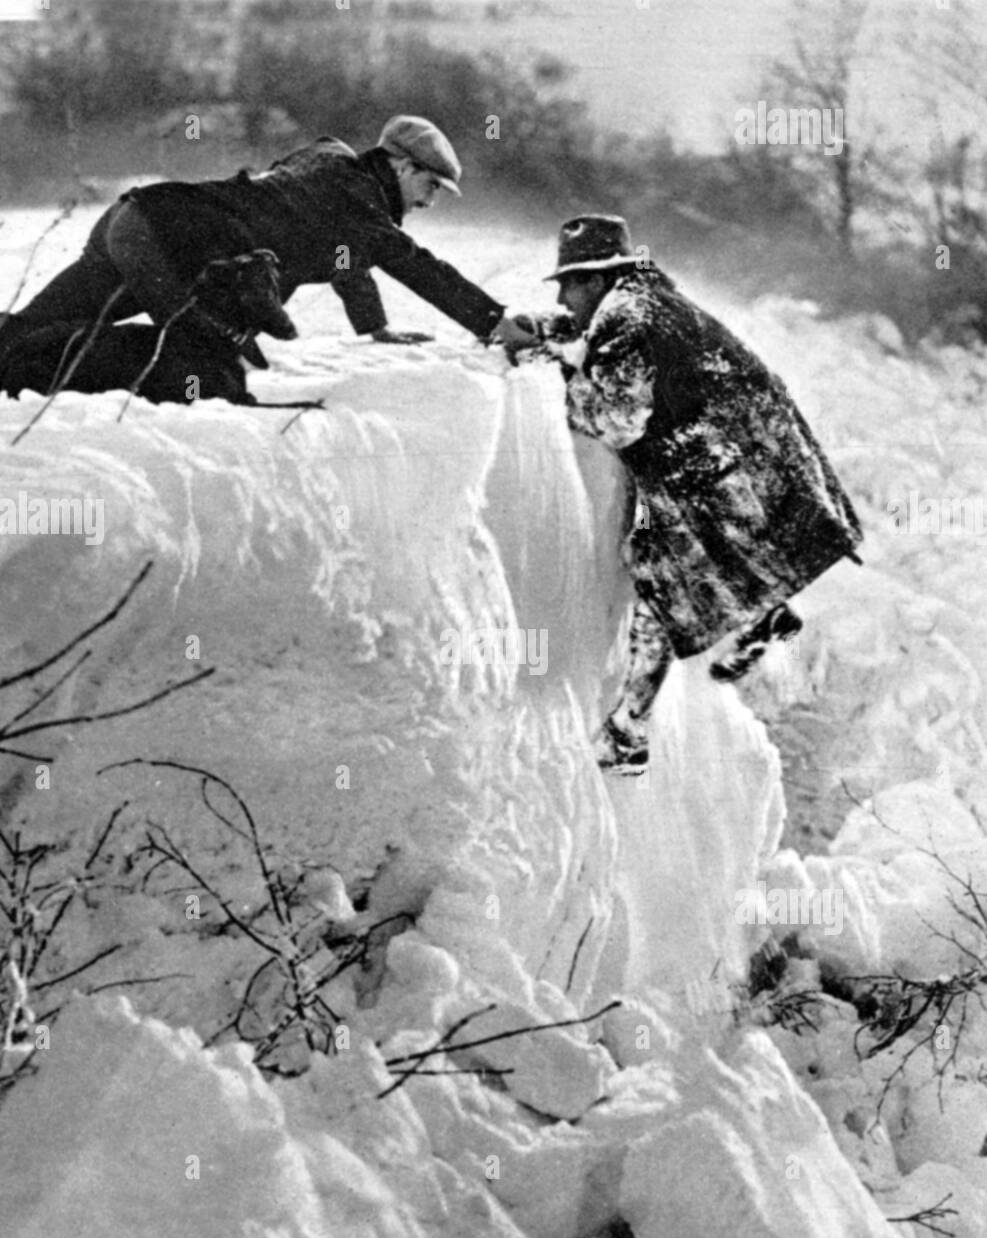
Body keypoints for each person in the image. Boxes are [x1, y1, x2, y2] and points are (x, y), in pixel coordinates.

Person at [533, 215, 863, 775]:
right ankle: (763, 618)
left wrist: (554, 382)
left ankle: (628, 731)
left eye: (569, 283)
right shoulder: (646, 299)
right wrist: (560, 339)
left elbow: (618, 419)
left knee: (658, 575)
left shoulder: (626, 317)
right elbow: (620, 358)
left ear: (596, 278)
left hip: (715, 462)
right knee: (705, 557)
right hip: (750, 450)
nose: (565, 296)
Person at [1, 115, 535, 360]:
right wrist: (492, 320)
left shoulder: (329, 160)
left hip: (134, 217)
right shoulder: (360, 203)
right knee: (203, 365)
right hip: (171, 242)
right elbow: (415, 264)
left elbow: (348, 257)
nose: (430, 200)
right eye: (429, 184)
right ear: (398, 165)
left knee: (29, 331)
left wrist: (374, 328)